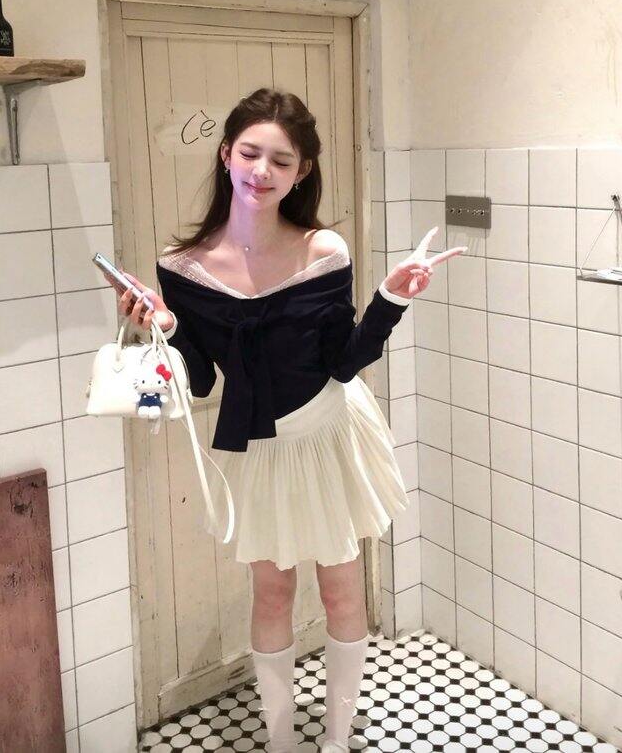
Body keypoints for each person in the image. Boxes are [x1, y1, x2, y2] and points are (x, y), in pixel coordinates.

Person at [104, 88, 466, 753]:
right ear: (226, 155)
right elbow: (201, 378)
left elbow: (346, 360)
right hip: (259, 448)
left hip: (329, 433)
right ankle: (280, 742)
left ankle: (336, 740)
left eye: (281, 160)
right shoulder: (181, 267)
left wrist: (390, 298)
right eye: (250, 153)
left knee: (342, 591)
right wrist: (164, 325)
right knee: (271, 594)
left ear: (302, 172)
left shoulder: (323, 250)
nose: (262, 171)